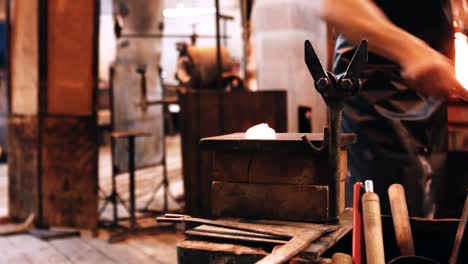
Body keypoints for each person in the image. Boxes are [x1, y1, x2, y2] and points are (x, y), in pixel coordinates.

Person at [312, 0, 468, 217]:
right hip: (374, 112)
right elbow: (335, 4)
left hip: (431, 110)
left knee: (426, 232)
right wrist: (413, 52)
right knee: (377, 233)